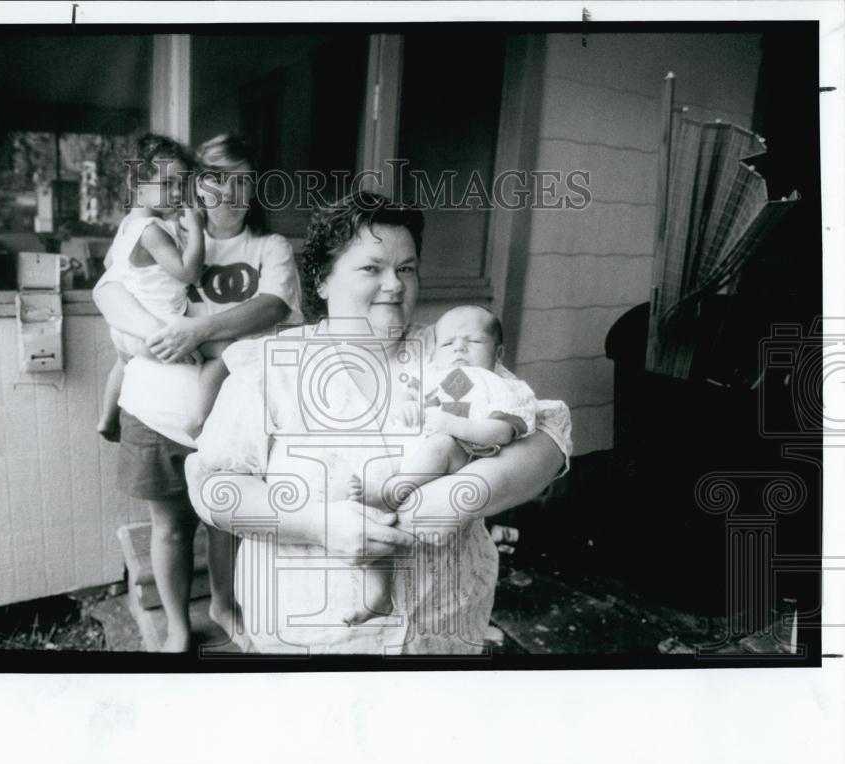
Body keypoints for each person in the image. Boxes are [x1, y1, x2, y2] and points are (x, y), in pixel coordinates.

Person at [186, 192, 572, 654]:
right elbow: (214, 488)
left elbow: (548, 430)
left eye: (406, 269)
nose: (394, 284)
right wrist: (318, 524)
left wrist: (460, 494)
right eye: (372, 268)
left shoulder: (448, 353)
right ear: (323, 280)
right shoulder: (273, 368)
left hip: (443, 626)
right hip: (315, 636)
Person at [93, 134, 302, 652]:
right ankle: (179, 629)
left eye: (242, 179)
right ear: (195, 184)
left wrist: (197, 331)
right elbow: (109, 293)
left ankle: (223, 605)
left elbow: (274, 306)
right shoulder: (160, 233)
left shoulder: (268, 247)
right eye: (215, 177)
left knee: (227, 521)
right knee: (169, 528)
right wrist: (138, 335)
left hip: (231, 413)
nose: (228, 192)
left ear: (256, 188)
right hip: (153, 404)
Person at [343, 304, 538, 624]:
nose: (459, 348)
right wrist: (408, 409)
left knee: (440, 444)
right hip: (415, 460)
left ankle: (391, 492)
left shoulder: (499, 385)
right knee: (371, 520)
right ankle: (378, 593)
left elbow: (501, 432)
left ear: (498, 352)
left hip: (461, 456)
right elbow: (414, 402)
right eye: (448, 343)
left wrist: (451, 424)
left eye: (473, 342)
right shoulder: (447, 379)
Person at [96, 134, 226, 444]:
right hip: (161, 325)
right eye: (166, 184)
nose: (176, 192)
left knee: (122, 362)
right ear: (137, 184)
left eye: (181, 184)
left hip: (130, 327)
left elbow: (108, 262)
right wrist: (196, 232)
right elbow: (189, 274)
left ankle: (106, 417)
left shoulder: (128, 223)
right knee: (227, 350)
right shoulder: (153, 232)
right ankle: (199, 419)